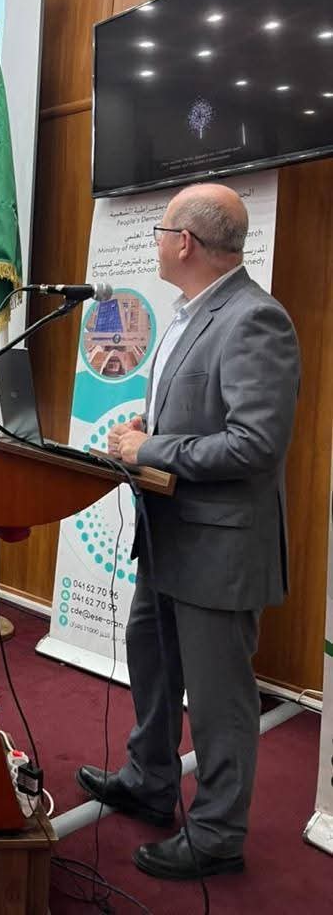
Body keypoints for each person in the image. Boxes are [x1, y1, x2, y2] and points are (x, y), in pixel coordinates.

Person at [76, 183, 300, 880]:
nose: (155, 243)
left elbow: (255, 444)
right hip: (169, 535)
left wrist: (152, 448)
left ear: (185, 243)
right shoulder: (190, 312)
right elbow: (199, 419)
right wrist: (148, 430)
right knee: (152, 661)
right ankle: (150, 781)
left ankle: (217, 836)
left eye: (161, 231)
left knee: (217, 698)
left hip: (219, 549)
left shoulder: (255, 320)